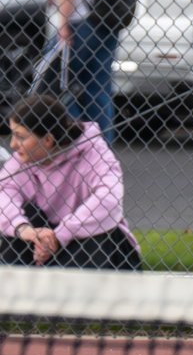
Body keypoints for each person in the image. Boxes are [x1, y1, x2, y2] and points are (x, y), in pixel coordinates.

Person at [0, 94, 140, 270]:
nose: (13, 144)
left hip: (92, 245)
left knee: (101, 228)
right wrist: (24, 229)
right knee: (25, 216)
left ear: (48, 140)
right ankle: (10, 284)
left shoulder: (94, 152)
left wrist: (60, 236)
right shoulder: (23, 159)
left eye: (20, 136)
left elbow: (109, 199)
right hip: (44, 240)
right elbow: (4, 193)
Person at [47, 0, 120, 143]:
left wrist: (62, 23)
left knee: (60, 84)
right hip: (108, 21)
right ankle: (101, 147)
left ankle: (72, 142)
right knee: (99, 88)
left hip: (80, 22)